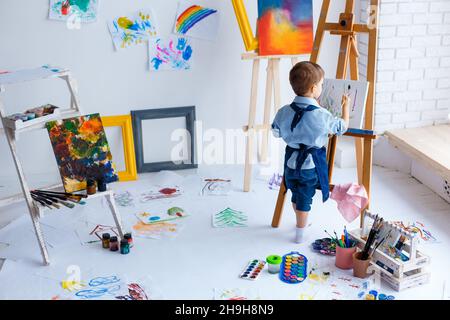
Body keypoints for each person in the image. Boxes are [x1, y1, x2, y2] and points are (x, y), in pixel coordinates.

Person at [271, 61, 350, 243]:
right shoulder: (322, 115)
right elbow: (341, 127)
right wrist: (345, 108)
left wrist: (295, 135)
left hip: (290, 163)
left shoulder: (284, 111)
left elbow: (276, 131)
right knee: (305, 198)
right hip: (309, 165)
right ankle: (300, 233)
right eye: (322, 84)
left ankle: (300, 220)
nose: (322, 87)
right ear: (314, 88)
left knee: (295, 192)